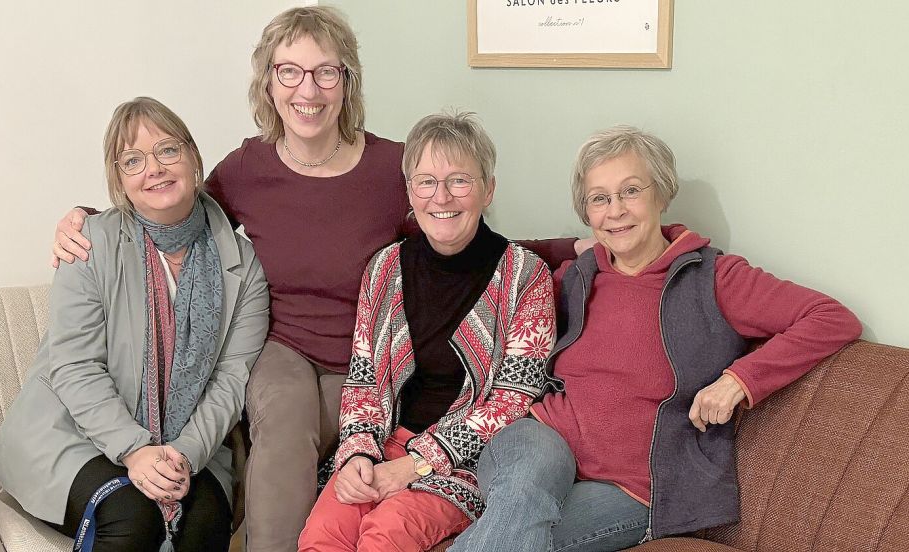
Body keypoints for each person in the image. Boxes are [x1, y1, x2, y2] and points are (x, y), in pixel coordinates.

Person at [48, 8, 581, 551]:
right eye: (290, 72)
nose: (309, 89)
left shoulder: (391, 168)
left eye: (327, 72)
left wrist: (577, 248)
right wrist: (89, 216)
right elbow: (176, 209)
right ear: (269, 84)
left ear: (347, 83)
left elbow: (459, 232)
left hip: (367, 356)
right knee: (285, 420)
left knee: (349, 443)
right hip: (284, 347)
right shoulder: (246, 168)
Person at [449, 125, 862, 552]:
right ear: (588, 214)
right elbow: (491, 268)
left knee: (518, 530)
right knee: (524, 496)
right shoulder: (575, 277)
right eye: (600, 199)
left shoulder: (714, 279)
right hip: (539, 441)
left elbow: (831, 317)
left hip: (635, 488)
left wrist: (739, 380)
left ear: (661, 194)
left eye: (631, 191)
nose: (616, 211)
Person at [0, 97, 270, 551]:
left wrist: (184, 454)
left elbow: (231, 379)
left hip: (190, 445)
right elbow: (75, 367)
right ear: (119, 180)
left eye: (167, 151)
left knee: (204, 526)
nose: (153, 168)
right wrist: (135, 450)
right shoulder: (89, 245)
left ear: (194, 158)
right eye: (133, 160)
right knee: (133, 517)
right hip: (74, 433)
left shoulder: (244, 264)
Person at [297, 112, 556, 552]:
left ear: (488, 189)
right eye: (425, 181)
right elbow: (364, 379)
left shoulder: (526, 277)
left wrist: (418, 465)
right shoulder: (384, 269)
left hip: (464, 463)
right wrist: (359, 454)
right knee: (322, 536)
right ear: (409, 192)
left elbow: (513, 401)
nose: (442, 197)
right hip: (382, 446)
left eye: (459, 181)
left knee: (386, 535)